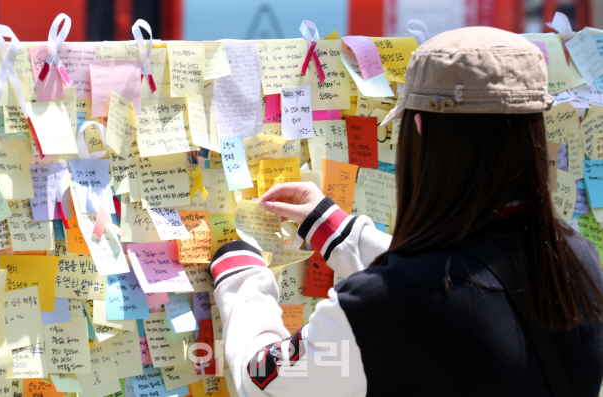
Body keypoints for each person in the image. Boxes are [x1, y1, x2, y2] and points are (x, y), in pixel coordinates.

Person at [208, 26, 603, 396]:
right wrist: (338, 230)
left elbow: (262, 379)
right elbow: (458, 277)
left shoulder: (384, 308)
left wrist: (242, 277)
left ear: (419, 131)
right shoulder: (576, 261)